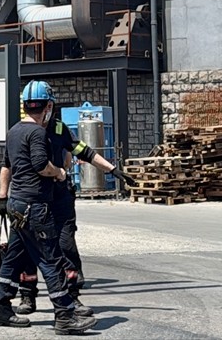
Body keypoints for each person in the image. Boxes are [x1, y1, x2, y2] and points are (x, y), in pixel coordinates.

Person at [14, 88, 135, 316]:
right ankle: (27, 295)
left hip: (59, 198)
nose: (36, 109)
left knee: (66, 246)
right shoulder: (22, 130)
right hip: (34, 198)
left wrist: (113, 170)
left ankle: (72, 296)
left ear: (49, 105)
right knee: (28, 250)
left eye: (39, 104)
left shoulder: (59, 129)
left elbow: (83, 151)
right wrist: (3, 198)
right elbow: (8, 165)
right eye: (30, 104)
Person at [0, 81, 98, 333]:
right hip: (35, 206)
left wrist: (3, 198)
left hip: (17, 204)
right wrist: (58, 172)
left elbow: (7, 165)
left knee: (14, 258)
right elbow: (40, 164)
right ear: (48, 106)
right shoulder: (37, 132)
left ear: (25, 105)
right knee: (50, 259)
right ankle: (65, 316)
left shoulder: (14, 131)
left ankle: (0, 308)